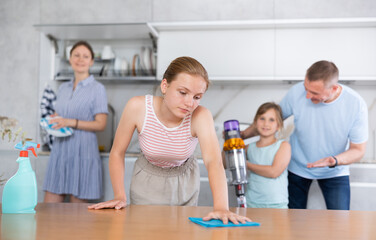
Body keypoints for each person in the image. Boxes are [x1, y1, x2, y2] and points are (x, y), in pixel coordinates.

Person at [88, 56, 250, 224]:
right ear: (165, 86)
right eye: (183, 92)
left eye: (197, 97)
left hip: (185, 182)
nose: (189, 103)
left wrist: (222, 207)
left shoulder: (201, 116)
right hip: (147, 180)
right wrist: (119, 196)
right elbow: (117, 152)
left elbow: (214, 162)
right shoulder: (138, 107)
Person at [241, 60, 368, 210]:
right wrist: (241, 134)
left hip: (335, 171)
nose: (307, 96)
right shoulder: (296, 92)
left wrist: (334, 160)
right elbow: (272, 121)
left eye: (314, 92)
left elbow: (358, 150)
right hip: (298, 168)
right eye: (306, 88)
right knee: (294, 222)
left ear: (333, 88)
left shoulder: (355, 104)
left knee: (340, 221)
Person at [43, 41, 108, 203]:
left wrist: (70, 122)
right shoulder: (63, 88)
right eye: (76, 55)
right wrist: (53, 120)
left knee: (78, 220)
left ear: (91, 61)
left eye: (86, 56)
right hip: (60, 151)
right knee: (48, 212)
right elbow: (59, 115)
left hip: (83, 152)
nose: (81, 59)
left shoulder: (97, 89)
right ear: (70, 59)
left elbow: (101, 124)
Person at [245, 102, 291, 208]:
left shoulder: (283, 146)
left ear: (278, 125)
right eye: (262, 119)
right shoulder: (249, 147)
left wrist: (246, 164)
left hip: (277, 204)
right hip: (251, 203)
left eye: (271, 120)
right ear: (255, 123)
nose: (266, 124)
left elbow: (274, 172)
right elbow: (225, 163)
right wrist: (230, 141)